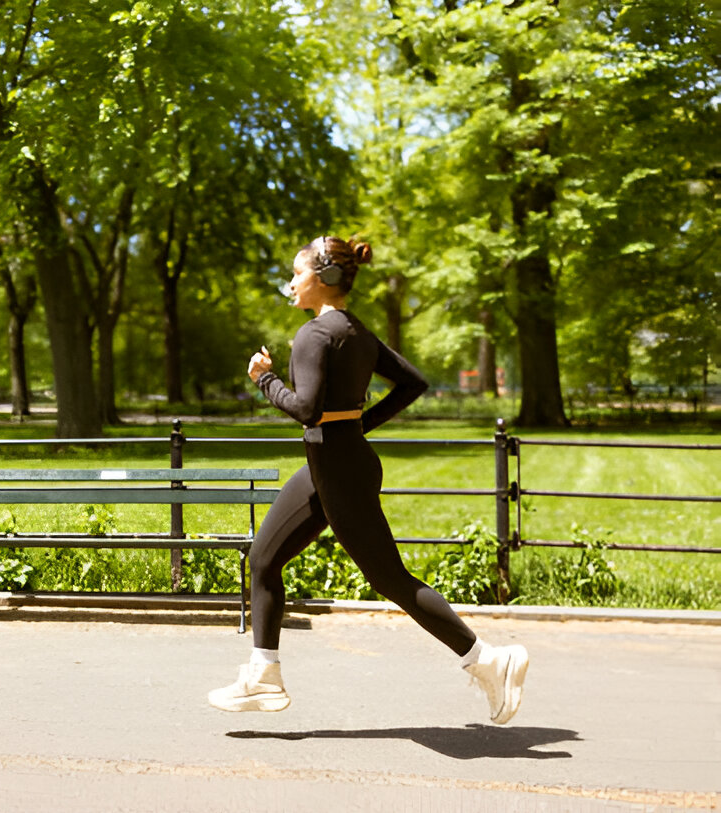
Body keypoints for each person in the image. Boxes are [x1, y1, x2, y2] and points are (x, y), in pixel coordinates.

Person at [207, 236, 528, 725]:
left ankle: (488, 660)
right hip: (333, 462)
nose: (291, 283)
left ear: (325, 278)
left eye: (297, 273)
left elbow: (306, 409)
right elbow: (412, 384)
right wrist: (355, 426)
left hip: (338, 467)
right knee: (264, 558)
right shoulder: (354, 330)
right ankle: (263, 675)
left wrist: (264, 380)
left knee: (390, 579)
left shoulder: (315, 335)